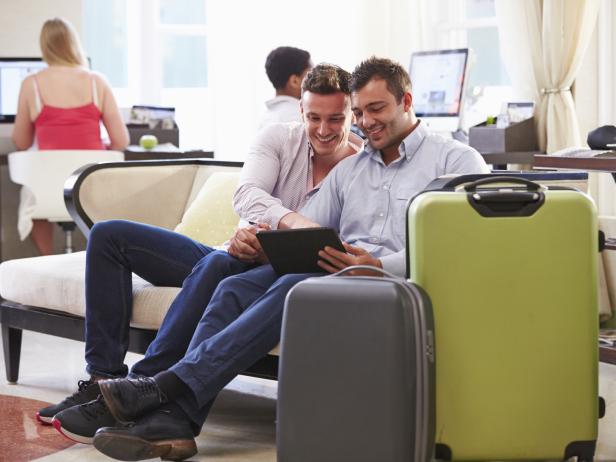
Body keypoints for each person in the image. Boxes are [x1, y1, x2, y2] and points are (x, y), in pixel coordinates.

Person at [51, 56, 489, 461]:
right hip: (333, 273)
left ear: (406, 101)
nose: (366, 122)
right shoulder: (351, 171)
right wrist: (260, 241)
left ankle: (161, 386)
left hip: (390, 282)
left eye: (376, 109)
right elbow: (309, 229)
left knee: (292, 286)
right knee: (231, 284)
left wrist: (380, 265)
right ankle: (176, 422)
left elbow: (458, 242)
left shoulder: (455, 159)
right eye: (360, 112)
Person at [37, 63, 362, 438]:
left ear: (351, 113)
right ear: (301, 111)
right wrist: (290, 225)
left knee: (218, 266)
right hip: (232, 253)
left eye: (336, 119)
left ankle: (140, 386)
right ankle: (103, 380)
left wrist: (274, 246)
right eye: (315, 117)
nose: (324, 130)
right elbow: (248, 194)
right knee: (110, 236)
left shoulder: (359, 167)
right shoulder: (278, 138)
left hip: (260, 270)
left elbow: (336, 244)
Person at [12, 17, 129, 255]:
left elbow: (21, 142)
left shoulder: (31, 84)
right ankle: (94, 259)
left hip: (48, 188)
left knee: (34, 194)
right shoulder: (97, 82)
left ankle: (48, 260)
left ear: (45, 46)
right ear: (74, 44)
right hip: (89, 187)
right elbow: (121, 141)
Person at [258, 46, 312, 129]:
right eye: (311, 75)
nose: (316, 81)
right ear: (295, 81)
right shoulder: (299, 118)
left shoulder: (266, 117)